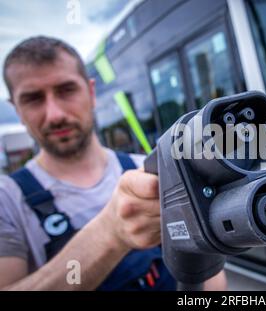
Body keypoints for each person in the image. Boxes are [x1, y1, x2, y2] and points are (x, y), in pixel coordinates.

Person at [0, 36, 226, 291]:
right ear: (16, 109)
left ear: (91, 91)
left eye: (66, 90)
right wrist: (111, 232)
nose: (55, 115)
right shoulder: (7, 200)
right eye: (33, 99)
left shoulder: (151, 169)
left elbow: (212, 282)